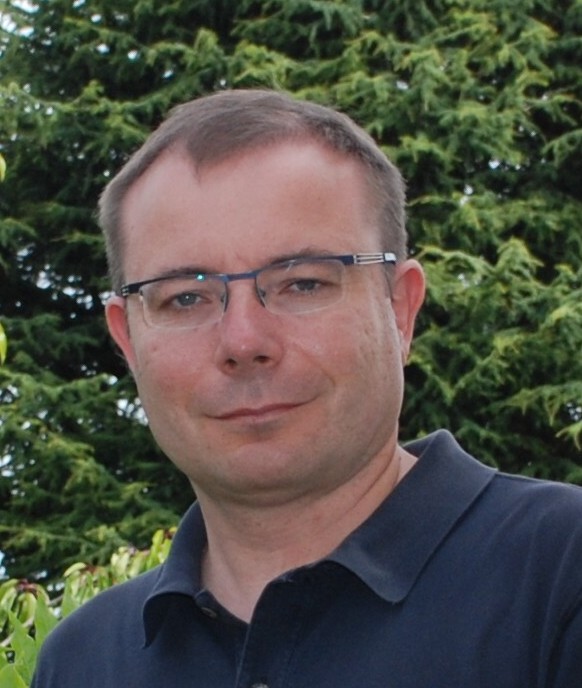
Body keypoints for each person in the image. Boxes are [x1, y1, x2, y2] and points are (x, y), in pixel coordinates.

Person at [32, 90, 582, 688]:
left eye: (303, 284)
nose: (243, 341)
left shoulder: (560, 577)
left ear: (400, 310)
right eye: (185, 298)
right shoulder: (82, 663)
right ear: (128, 341)